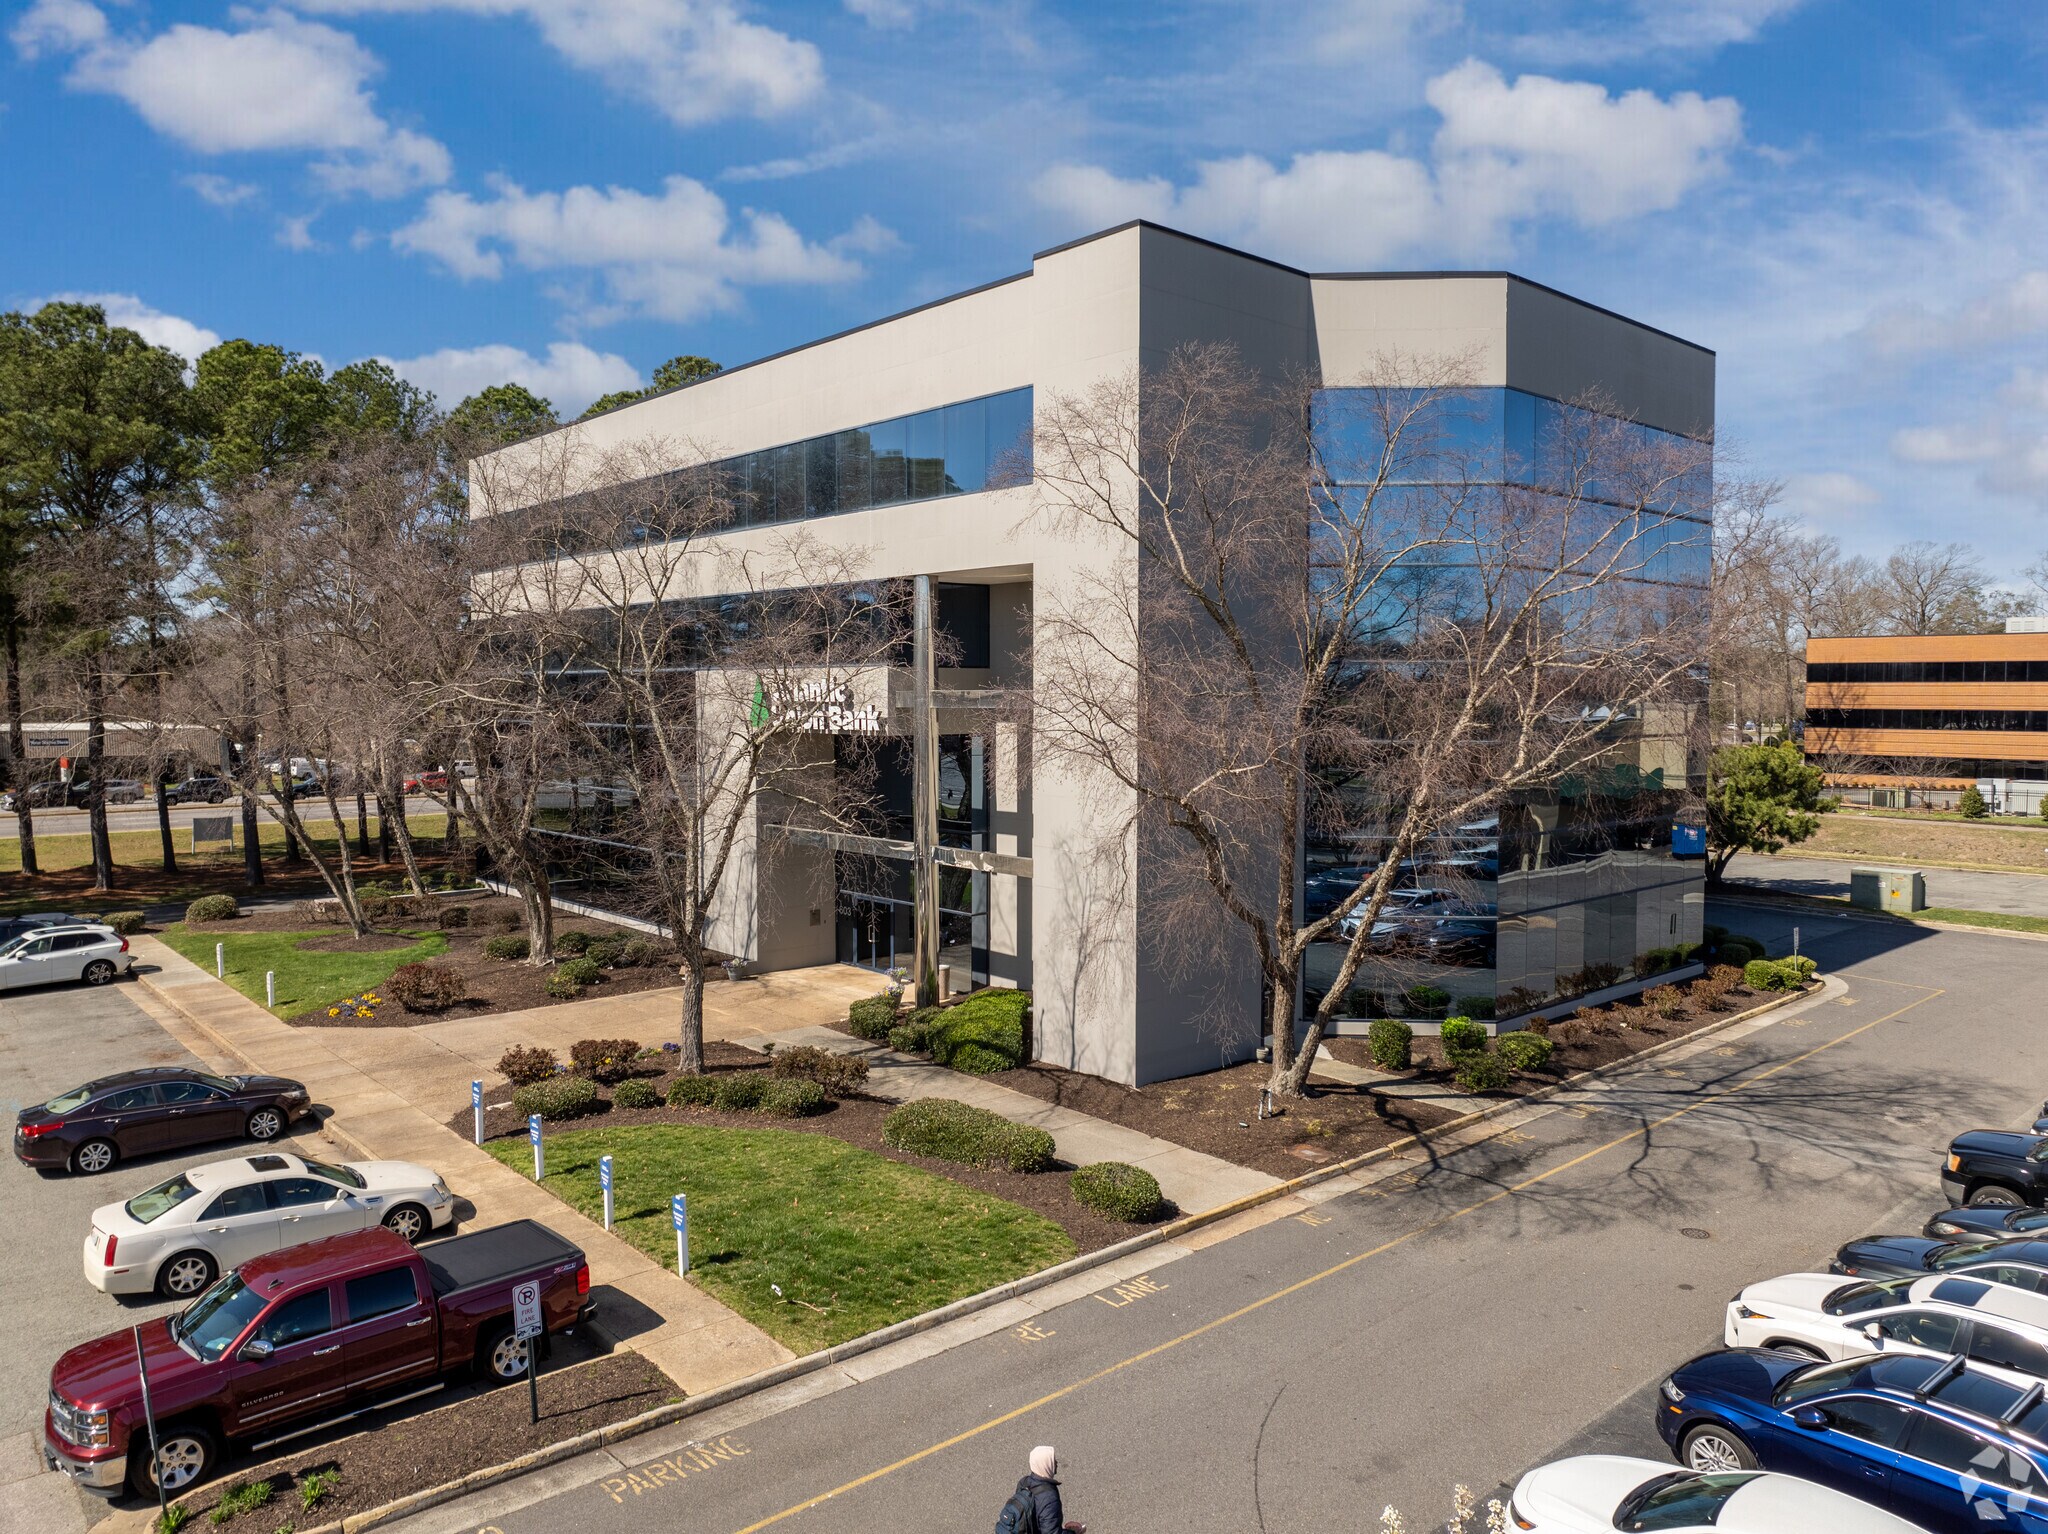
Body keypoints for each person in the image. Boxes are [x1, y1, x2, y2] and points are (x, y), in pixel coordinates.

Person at [1000, 1446, 1082, 1534]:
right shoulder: (1049, 1497)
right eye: (1053, 1461)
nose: (1056, 1463)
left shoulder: (1024, 1482)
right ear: (1045, 1464)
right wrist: (1073, 1532)